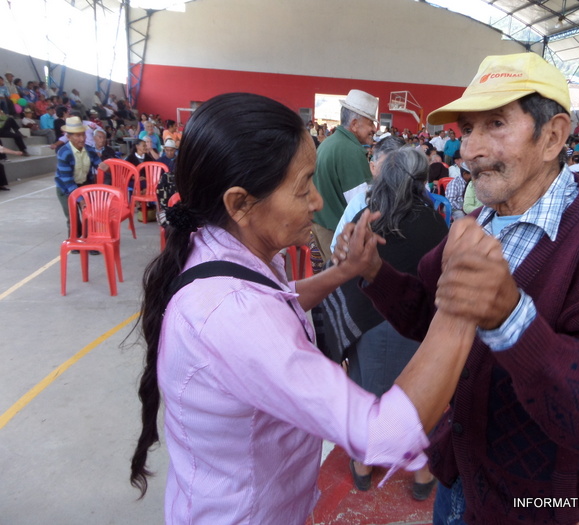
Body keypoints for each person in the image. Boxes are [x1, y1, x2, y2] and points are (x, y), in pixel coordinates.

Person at [128, 92, 488, 524]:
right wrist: (460, 307)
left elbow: (278, 300)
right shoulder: (234, 315)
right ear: (240, 203)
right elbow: (382, 434)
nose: (317, 202)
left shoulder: (224, 251)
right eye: (303, 189)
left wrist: (344, 272)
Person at [333, 52, 579, 525]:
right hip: (460, 475)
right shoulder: (479, 220)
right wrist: (375, 272)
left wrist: (513, 320)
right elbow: (430, 317)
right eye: (468, 129)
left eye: (496, 125)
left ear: (553, 137)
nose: (469, 151)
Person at [325, 147, 449, 500]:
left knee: (366, 394)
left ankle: (364, 462)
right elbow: (439, 279)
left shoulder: (365, 214)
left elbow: (339, 259)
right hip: (413, 326)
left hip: (364, 323)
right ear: (420, 181)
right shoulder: (433, 222)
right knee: (417, 398)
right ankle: (422, 470)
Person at [311, 89, 377, 262]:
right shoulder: (350, 151)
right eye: (370, 122)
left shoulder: (330, 142)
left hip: (322, 225)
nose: (374, 129)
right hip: (337, 232)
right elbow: (361, 205)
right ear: (354, 124)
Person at [54, 117, 109, 235]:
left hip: (84, 185)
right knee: (73, 218)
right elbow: (67, 180)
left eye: (83, 134)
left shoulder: (89, 149)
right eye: (78, 136)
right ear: (68, 137)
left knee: (89, 215)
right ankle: (74, 240)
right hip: (65, 188)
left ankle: (89, 239)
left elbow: (97, 162)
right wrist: (80, 199)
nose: (82, 138)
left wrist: (102, 165)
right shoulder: (64, 153)